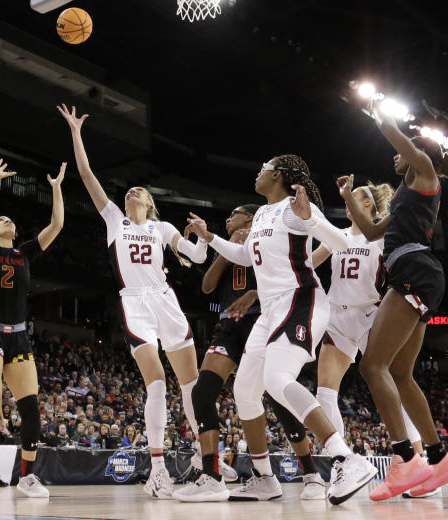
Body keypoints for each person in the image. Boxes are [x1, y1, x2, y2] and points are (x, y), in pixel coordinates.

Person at [185, 155, 377, 505]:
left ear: (276, 175)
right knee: (244, 390)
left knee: (276, 379)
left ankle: (346, 458)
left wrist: (311, 220)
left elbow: (342, 244)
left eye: (261, 169)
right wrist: (210, 236)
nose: (256, 173)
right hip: (271, 310)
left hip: (301, 300)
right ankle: (264, 479)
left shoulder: (295, 207)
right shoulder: (261, 214)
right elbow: (245, 256)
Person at [59, 104, 205, 499]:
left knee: (191, 384)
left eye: (139, 190)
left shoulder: (162, 227)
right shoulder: (114, 221)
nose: (132, 191)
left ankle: (202, 456)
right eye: (129, 190)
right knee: (156, 383)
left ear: (150, 203)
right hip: (136, 302)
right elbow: (88, 176)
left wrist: (200, 239)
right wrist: (76, 133)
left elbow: (196, 257)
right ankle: (158, 469)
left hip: (166, 299)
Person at [338, 105, 448, 501]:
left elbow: (396, 136)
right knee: (399, 372)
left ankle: (404, 457)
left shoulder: (426, 173)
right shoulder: (403, 194)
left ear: (417, 152)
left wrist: (378, 111)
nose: (395, 156)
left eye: (403, 151)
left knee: (371, 365)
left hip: (415, 268)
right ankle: (438, 456)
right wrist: (348, 197)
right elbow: (372, 231)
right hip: (413, 271)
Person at [174, 204, 329, 502]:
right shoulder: (229, 243)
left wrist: (253, 293)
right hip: (229, 326)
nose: (228, 218)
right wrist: (227, 248)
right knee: (202, 391)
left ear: (250, 216)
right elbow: (207, 287)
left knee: (277, 396)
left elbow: (281, 280)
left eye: (234, 214)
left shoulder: (266, 235)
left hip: (264, 318)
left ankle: (312, 475)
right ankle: (211, 475)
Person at [310, 181, 431, 498]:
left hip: (370, 316)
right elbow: (308, 264)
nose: (348, 202)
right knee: (324, 393)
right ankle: (345, 463)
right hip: (337, 317)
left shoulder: (382, 238)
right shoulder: (339, 235)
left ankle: (419, 463)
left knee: (390, 389)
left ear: (371, 205)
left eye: (357, 197)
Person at [0, 153, 65, 499]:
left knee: (31, 407)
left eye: (10, 219)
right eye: (0, 220)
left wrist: (57, 189)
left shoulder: (23, 253)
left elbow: (57, 226)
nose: (7, 221)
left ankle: (27, 476)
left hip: (19, 336)